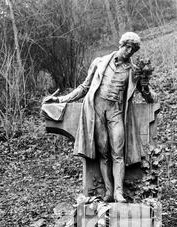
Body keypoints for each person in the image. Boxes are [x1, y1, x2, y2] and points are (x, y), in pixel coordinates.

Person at [45, 32, 157, 203]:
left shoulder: (133, 71)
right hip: (96, 110)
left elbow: (150, 99)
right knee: (103, 153)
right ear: (121, 44)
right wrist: (60, 99)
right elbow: (84, 87)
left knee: (118, 152)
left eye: (133, 49)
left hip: (116, 112)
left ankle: (119, 192)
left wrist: (145, 86)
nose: (129, 51)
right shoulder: (99, 62)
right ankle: (108, 191)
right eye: (127, 46)